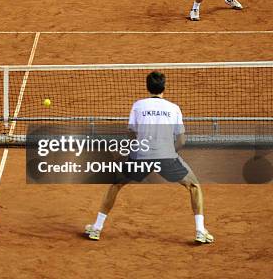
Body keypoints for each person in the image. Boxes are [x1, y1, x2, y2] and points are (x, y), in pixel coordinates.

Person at [84, 71, 214, 244]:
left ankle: (97, 228)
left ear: (147, 87)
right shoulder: (174, 108)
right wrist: (169, 153)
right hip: (167, 157)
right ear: (164, 87)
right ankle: (200, 231)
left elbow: (130, 132)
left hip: (140, 155)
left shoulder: (138, 106)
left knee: (115, 185)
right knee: (194, 186)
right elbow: (182, 139)